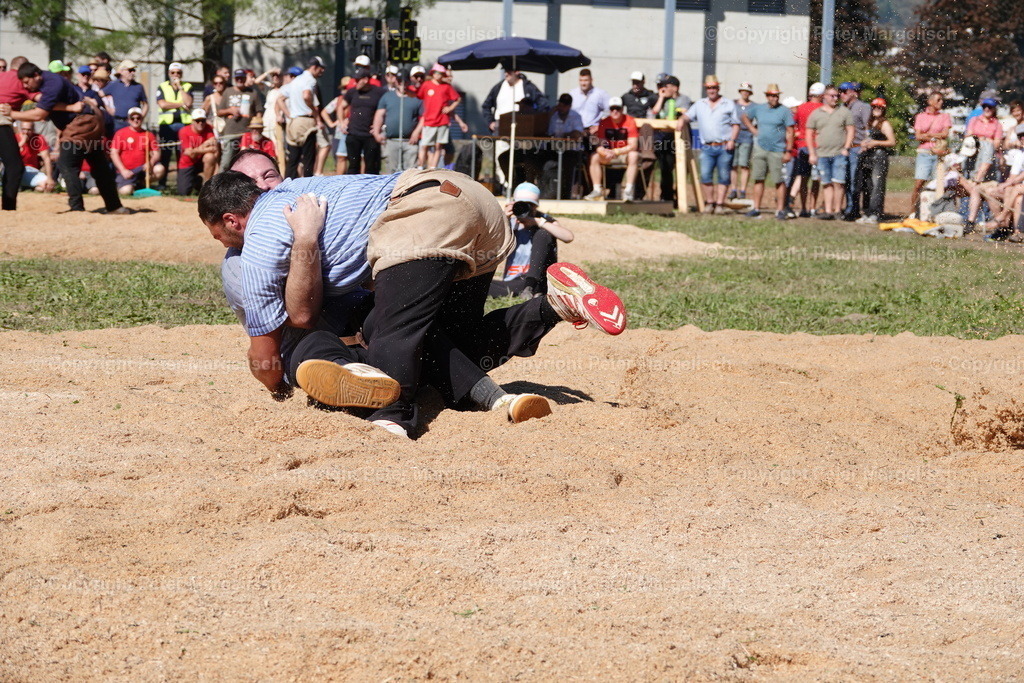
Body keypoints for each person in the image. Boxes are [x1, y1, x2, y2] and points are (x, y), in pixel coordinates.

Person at [198, 167, 627, 437]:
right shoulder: (308, 190)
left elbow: (282, 336)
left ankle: (392, 418)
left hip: (425, 207)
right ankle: (555, 306)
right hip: (477, 204)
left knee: (393, 332)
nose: (225, 247)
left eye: (220, 237)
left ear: (232, 220)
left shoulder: (255, 244)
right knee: (451, 344)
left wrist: (278, 387)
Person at [11, 62, 128, 214]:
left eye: (27, 82)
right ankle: (115, 206)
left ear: (36, 75)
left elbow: (40, 114)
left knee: (66, 163)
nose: (26, 86)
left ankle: (77, 208)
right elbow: (50, 103)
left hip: (81, 123)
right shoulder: (47, 82)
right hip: (87, 120)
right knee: (99, 166)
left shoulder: (52, 84)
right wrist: (70, 107)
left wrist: (12, 114)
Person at [490, 182, 575, 298]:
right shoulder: (511, 221)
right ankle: (525, 291)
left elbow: (568, 237)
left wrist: (538, 222)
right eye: (522, 204)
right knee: (478, 285)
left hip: (538, 280)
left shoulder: (543, 220)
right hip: (516, 281)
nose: (527, 209)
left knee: (543, 233)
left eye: (530, 205)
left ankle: (531, 287)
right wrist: (504, 217)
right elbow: (490, 240)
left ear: (536, 206)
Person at [678, 74, 740, 214]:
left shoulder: (728, 104)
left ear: (718, 88)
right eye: (709, 88)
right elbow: (687, 116)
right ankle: (709, 202)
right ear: (706, 89)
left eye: (714, 87)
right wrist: (681, 120)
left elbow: (736, 124)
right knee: (705, 175)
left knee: (724, 176)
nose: (712, 90)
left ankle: (719, 204)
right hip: (706, 147)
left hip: (724, 146)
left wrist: (732, 140)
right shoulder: (700, 104)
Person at [741, 84, 794, 220]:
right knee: (758, 178)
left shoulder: (784, 111)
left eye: (776, 95)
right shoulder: (759, 109)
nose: (774, 98)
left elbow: (790, 132)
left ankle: (780, 210)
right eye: (771, 95)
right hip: (760, 148)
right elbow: (745, 117)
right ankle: (756, 208)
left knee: (779, 180)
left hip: (777, 150)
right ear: (767, 96)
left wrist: (788, 150)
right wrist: (753, 130)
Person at [806, 84, 854, 220]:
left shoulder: (844, 112)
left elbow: (851, 130)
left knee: (839, 182)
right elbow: (809, 134)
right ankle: (828, 210)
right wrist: (812, 153)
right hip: (822, 154)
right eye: (832, 96)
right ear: (824, 97)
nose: (835, 98)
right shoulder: (816, 114)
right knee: (826, 183)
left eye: (837, 96)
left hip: (839, 153)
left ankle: (838, 210)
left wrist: (846, 147)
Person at [0, 55, 40, 210]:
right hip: (1, 123)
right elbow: (40, 98)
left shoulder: (2, 76)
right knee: (15, 166)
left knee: (11, 164)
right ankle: (9, 206)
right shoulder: (21, 81)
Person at [584, 96, 640, 202]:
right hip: (608, 154)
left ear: (622, 109)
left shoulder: (630, 121)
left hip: (624, 153)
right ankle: (597, 190)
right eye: (612, 109)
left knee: (634, 155)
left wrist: (616, 151)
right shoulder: (604, 122)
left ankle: (628, 191)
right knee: (594, 157)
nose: (615, 111)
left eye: (617, 108)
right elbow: (599, 145)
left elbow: (633, 145)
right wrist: (604, 152)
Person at [278, 56, 325, 178]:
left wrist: (289, 115)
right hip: (306, 122)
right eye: (321, 68)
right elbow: (306, 95)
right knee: (308, 158)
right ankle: (307, 187)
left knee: (293, 159)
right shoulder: (309, 80)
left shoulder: (296, 80)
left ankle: (288, 187)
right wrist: (315, 114)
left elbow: (280, 99)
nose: (322, 71)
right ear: (314, 67)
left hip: (293, 122)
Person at [649, 75, 691, 205]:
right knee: (665, 168)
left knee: (682, 169)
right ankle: (666, 196)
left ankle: (680, 197)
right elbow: (654, 112)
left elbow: (686, 112)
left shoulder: (683, 99)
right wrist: (661, 97)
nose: (663, 89)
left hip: (680, 139)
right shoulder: (661, 99)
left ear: (675, 88)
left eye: (666, 86)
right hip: (664, 139)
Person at [910, 91, 951, 219]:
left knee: (938, 185)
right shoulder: (921, 116)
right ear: (930, 102)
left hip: (939, 154)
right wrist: (935, 136)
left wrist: (927, 135)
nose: (941, 102)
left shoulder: (944, 116)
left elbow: (945, 134)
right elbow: (917, 136)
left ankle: (935, 213)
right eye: (938, 100)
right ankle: (913, 212)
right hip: (924, 153)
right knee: (919, 183)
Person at [855, 97, 896, 224]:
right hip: (867, 155)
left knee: (877, 184)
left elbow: (892, 141)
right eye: (874, 107)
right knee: (867, 184)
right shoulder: (869, 122)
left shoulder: (885, 124)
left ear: (883, 110)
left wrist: (875, 143)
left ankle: (876, 213)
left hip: (879, 156)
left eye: (879, 108)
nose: (877, 110)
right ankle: (867, 211)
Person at [373, 69, 422, 173]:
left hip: (409, 142)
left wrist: (416, 132)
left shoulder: (415, 98)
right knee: (391, 171)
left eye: (405, 82)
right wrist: (376, 133)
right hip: (391, 140)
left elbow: (423, 117)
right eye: (400, 82)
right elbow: (379, 115)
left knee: (411, 171)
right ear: (396, 81)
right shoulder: (387, 96)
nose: (403, 85)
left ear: (409, 82)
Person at [339, 67, 386, 175]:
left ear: (365, 79)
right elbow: (341, 107)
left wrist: (380, 126)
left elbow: (387, 109)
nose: (355, 83)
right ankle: (352, 190)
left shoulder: (379, 92)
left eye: (357, 80)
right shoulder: (352, 92)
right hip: (353, 134)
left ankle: (370, 190)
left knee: (371, 167)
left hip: (370, 136)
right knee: (353, 166)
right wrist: (342, 122)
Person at [156, 61, 193, 189]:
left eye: (178, 73)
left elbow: (188, 103)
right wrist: (180, 104)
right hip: (167, 125)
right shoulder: (162, 86)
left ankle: (180, 185)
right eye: (173, 73)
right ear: (168, 73)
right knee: (165, 154)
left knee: (181, 155)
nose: (175, 75)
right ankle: (162, 185)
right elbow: (162, 104)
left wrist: (181, 89)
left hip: (184, 124)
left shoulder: (187, 86)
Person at [217, 68, 263, 170]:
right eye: (237, 78)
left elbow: (259, 111)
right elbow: (219, 112)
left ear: (245, 78)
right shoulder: (228, 91)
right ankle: (221, 184)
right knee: (226, 163)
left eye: (242, 78)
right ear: (234, 79)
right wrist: (230, 110)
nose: (240, 80)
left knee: (248, 162)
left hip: (247, 132)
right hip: (231, 132)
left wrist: (257, 126)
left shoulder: (253, 93)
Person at [110, 106, 163, 195]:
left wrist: (151, 162)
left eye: (138, 118)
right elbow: (113, 153)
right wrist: (123, 170)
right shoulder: (120, 133)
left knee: (159, 169)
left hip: (143, 169)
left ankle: (141, 184)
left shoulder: (148, 134)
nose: (136, 120)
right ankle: (130, 185)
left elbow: (156, 152)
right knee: (125, 192)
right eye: (132, 118)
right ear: (128, 120)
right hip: (127, 171)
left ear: (142, 119)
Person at [790, 82, 825, 217]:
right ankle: (812, 208)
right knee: (816, 180)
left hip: (802, 146)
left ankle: (804, 208)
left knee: (803, 179)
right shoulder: (823, 109)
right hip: (818, 147)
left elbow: (795, 126)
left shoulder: (801, 108)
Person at [417, 64, 460, 170]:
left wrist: (450, 108)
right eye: (436, 73)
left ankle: (433, 167)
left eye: (440, 73)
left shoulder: (446, 87)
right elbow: (419, 96)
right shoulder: (426, 85)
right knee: (425, 145)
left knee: (438, 146)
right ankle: (420, 166)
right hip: (429, 120)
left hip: (442, 121)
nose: (437, 75)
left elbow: (457, 99)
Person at [839, 82, 871, 220]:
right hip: (843, 149)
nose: (841, 94)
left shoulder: (862, 107)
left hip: (857, 148)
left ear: (853, 92)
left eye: (844, 91)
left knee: (854, 181)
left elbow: (868, 128)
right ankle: (848, 207)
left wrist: (866, 145)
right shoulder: (841, 108)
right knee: (844, 180)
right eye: (840, 91)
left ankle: (854, 210)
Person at [177, 108, 218, 195]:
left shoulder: (208, 128)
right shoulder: (184, 131)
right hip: (187, 163)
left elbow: (214, 147)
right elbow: (190, 154)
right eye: (197, 120)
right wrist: (205, 145)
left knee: (210, 157)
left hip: (201, 161)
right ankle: (197, 180)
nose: (201, 123)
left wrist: (195, 150)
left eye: (203, 120)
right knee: (183, 192)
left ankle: (207, 188)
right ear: (192, 121)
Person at [105, 60, 147, 132]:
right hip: (118, 123)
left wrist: (141, 117)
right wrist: (107, 108)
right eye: (130, 70)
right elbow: (99, 95)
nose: (133, 72)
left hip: (133, 123)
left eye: (133, 70)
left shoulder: (138, 86)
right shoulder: (113, 85)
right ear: (122, 71)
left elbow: (145, 104)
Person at [730, 82, 755, 200]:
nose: (745, 93)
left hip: (747, 136)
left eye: (747, 91)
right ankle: (733, 189)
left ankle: (743, 190)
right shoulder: (733, 104)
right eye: (743, 90)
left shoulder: (754, 106)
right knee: (733, 164)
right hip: (734, 135)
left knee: (744, 164)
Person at [967, 98, 1002, 183]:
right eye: (984, 107)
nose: (987, 109)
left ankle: (978, 178)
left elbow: (997, 143)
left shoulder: (997, 124)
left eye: (989, 107)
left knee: (988, 146)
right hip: (974, 148)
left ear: (993, 109)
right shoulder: (974, 120)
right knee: (986, 144)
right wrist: (982, 139)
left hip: (988, 151)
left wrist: (985, 141)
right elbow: (968, 135)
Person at [15, 121, 55, 192]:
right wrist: (22, 143)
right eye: (24, 129)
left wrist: (49, 178)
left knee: (47, 185)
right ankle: (26, 186)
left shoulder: (38, 138)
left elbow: (46, 158)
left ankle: (29, 187)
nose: (26, 132)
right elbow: (11, 156)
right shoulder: (15, 138)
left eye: (29, 130)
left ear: (33, 130)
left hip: (31, 170)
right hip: (16, 170)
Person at [570, 68, 609, 134]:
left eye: (586, 80)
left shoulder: (600, 94)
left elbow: (609, 111)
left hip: (594, 131)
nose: (583, 83)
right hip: (576, 130)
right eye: (581, 80)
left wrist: (600, 126)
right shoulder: (572, 94)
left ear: (591, 80)